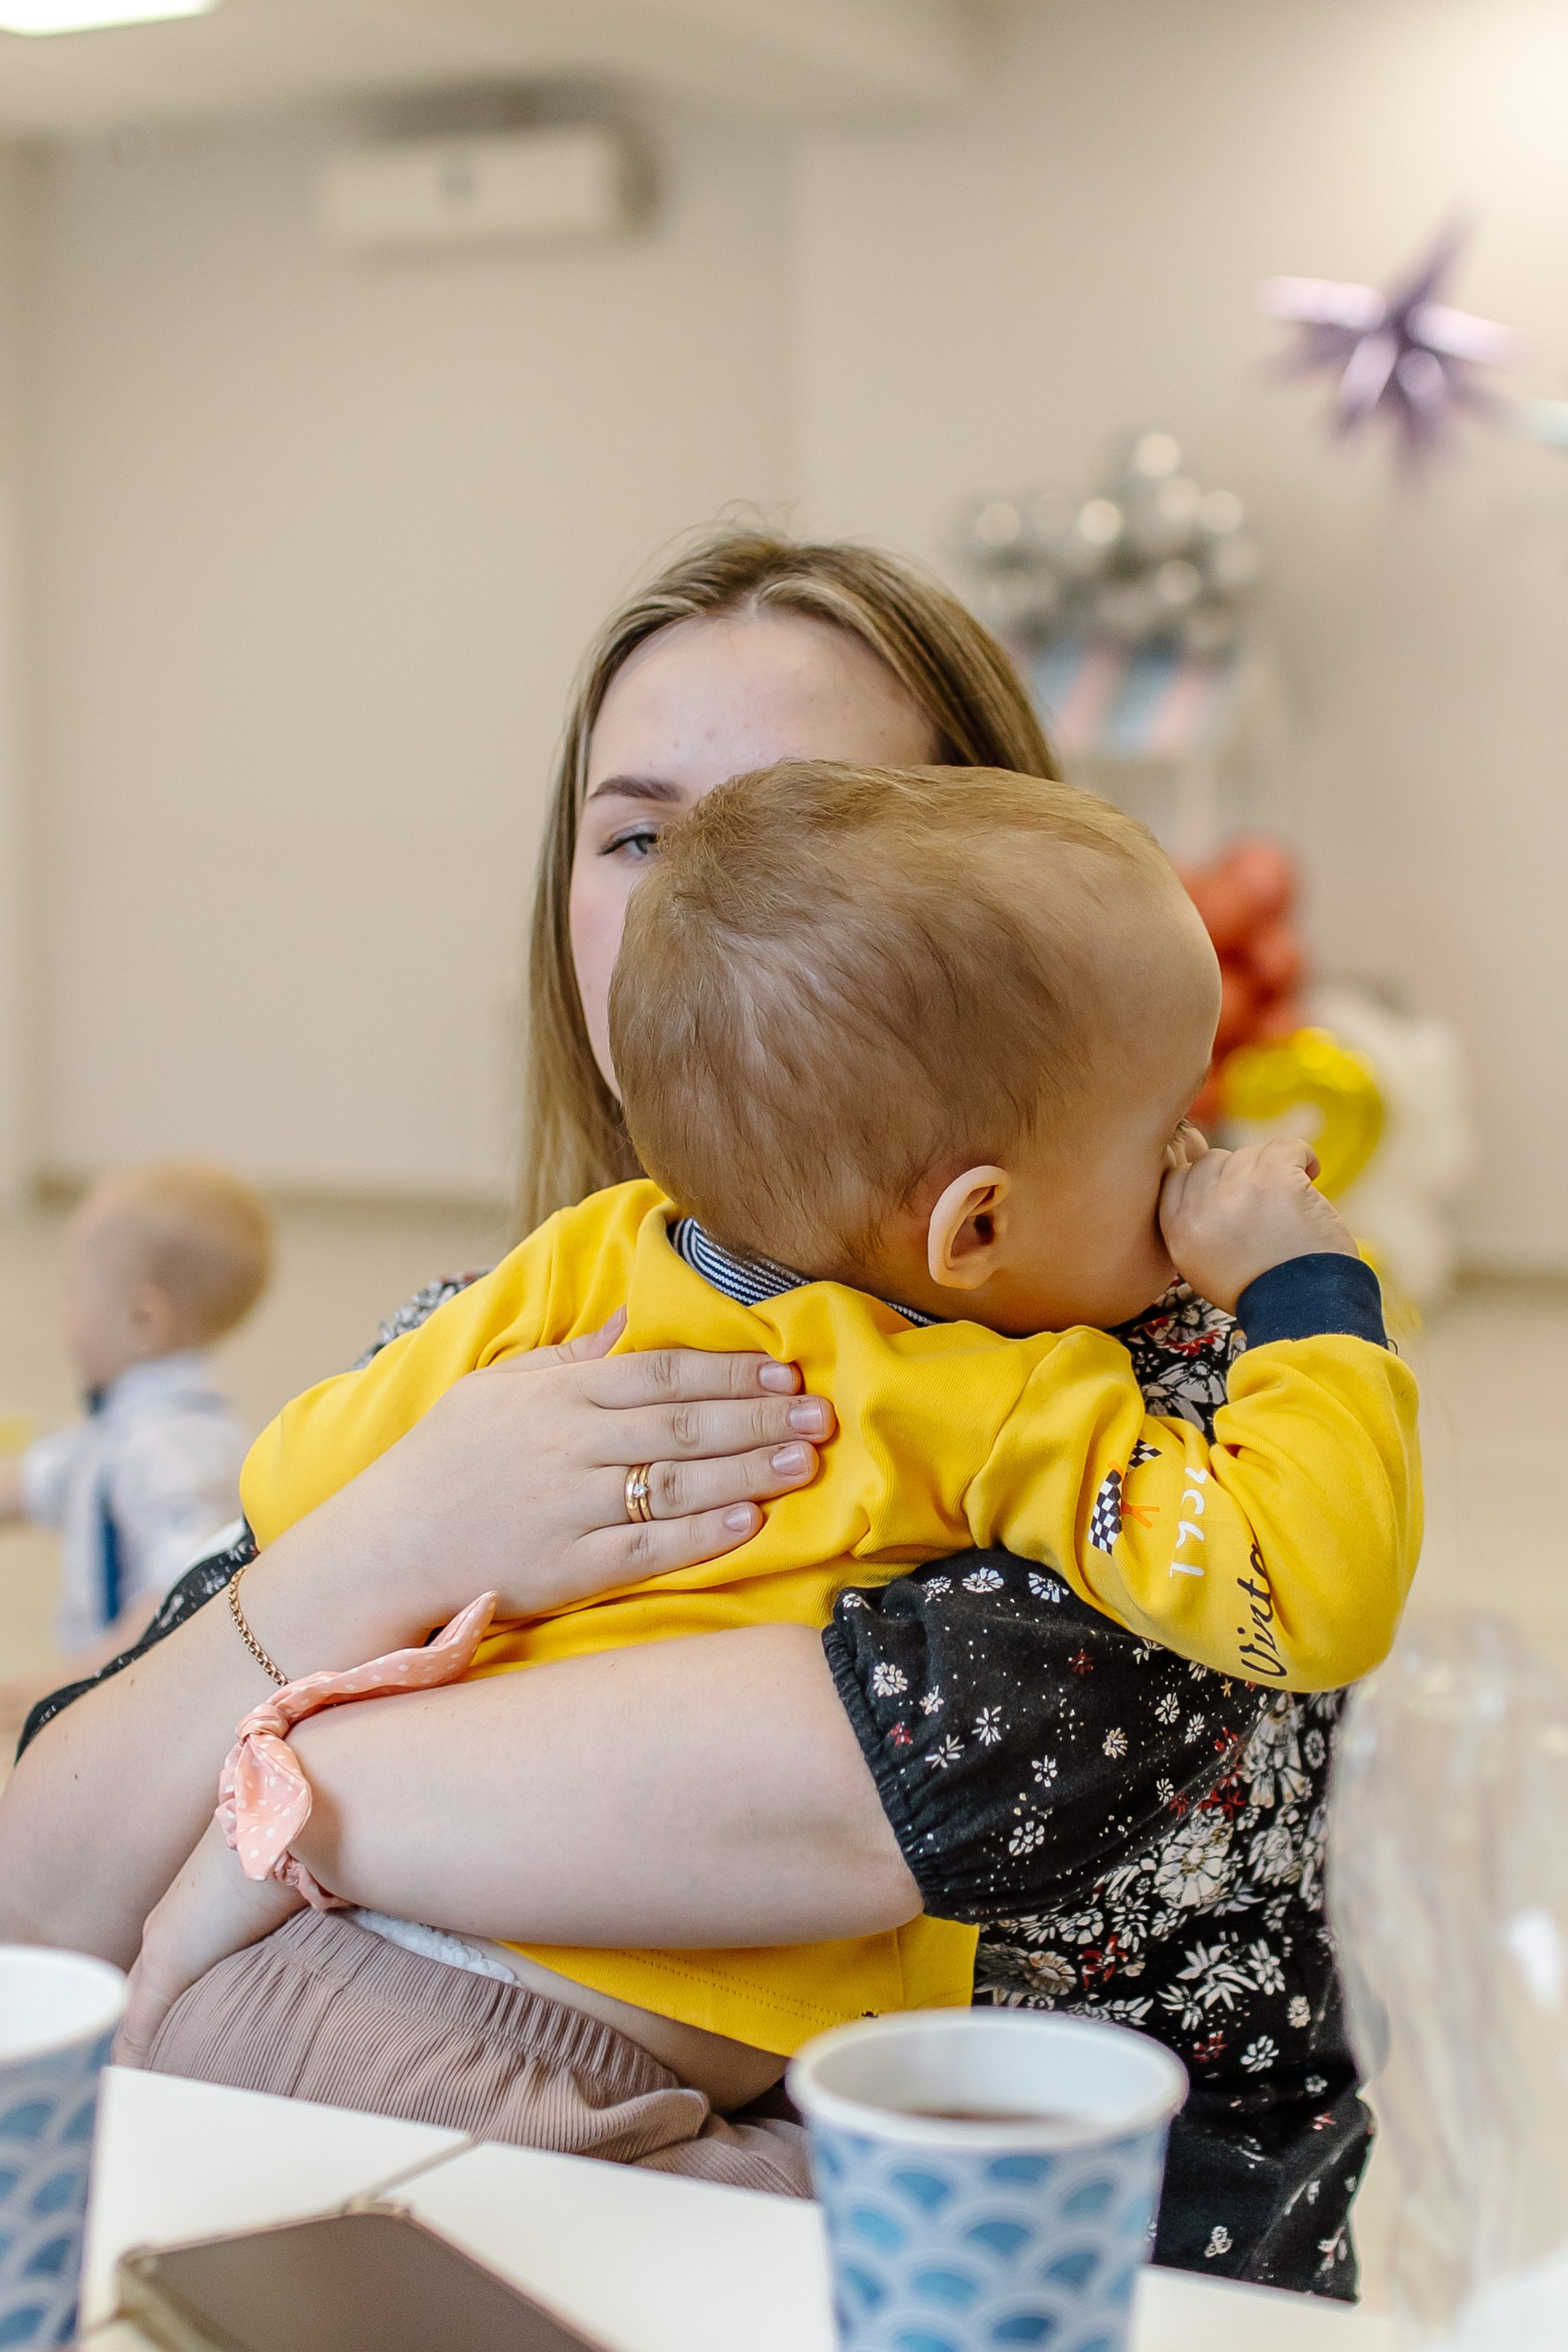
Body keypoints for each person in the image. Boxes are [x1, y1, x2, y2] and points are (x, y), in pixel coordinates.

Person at [0, 532, 1377, 2294]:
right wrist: (412, 1527)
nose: (709, 907)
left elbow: (835, 1787)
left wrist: (277, 1751)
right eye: (639, 835)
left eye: (816, 823)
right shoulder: (540, 1306)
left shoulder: (1183, 1385)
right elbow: (47, 1885)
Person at [0, 1163, 269, 1718]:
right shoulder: (123, 1429)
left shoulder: (172, 1453)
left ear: (141, 1319)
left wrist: (67, 1683)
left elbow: (178, 1601)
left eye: (74, 1289)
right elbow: (41, 1479)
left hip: (145, 1706)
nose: (62, 1312)